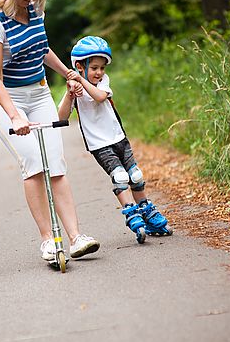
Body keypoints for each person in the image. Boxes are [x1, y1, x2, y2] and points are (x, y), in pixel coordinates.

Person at [0, 0, 100, 262]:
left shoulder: (35, 12)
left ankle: (76, 237)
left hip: (39, 92)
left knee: (55, 163)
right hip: (7, 99)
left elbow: (41, 48)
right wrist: (15, 115)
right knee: (33, 163)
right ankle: (48, 240)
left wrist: (67, 74)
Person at [58, 35, 173, 243]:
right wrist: (70, 94)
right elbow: (61, 117)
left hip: (119, 138)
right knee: (120, 177)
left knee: (135, 176)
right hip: (99, 145)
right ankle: (132, 214)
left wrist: (80, 80)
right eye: (94, 67)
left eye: (102, 67)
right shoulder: (76, 89)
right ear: (79, 66)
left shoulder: (102, 82)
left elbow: (100, 97)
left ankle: (148, 212)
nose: (99, 72)